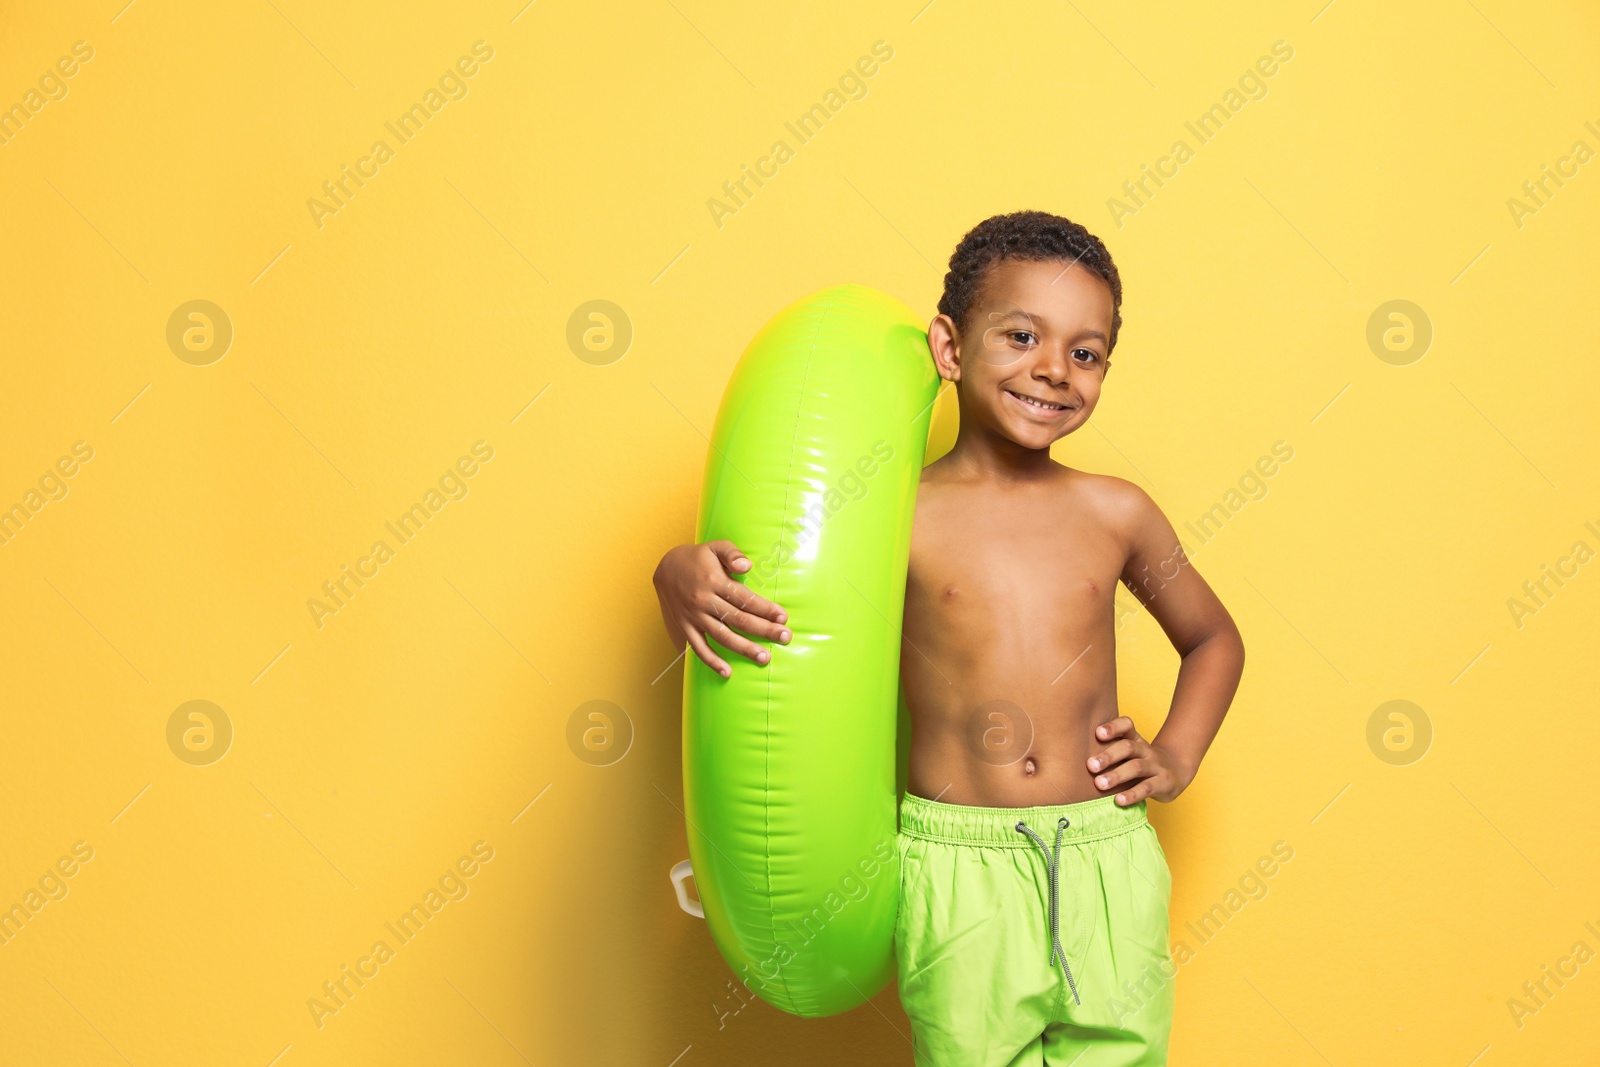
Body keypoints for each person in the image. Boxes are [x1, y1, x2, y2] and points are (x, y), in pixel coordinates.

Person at [651, 210, 1245, 1066]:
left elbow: (1214, 638)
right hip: (957, 870)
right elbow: (776, 590)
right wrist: (676, 571)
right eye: (1020, 335)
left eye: (1086, 352)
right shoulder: (890, 519)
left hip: (1107, 858)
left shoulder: (1116, 511)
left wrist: (1177, 757)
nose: (1053, 370)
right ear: (950, 347)